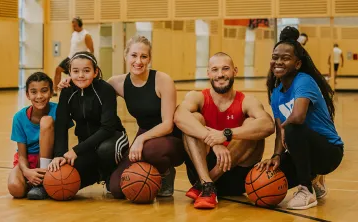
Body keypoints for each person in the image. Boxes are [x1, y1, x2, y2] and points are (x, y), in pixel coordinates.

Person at [174, 52, 275, 209]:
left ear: (235, 71)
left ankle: (206, 184)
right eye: (215, 69)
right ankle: (207, 183)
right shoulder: (197, 97)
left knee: (251, 123)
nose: (220, 74)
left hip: (236, 176)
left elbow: (268, 125)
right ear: (208, 73)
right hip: (202, 167)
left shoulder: (247, 101)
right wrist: (214, 141)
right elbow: (179, 116)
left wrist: (226, 134)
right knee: (194, 118)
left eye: (225, 69)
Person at [258, 26, 344, 210]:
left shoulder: (303, 80)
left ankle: (306, 189)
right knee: (266, 179)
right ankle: (314, 179)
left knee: (292, 128)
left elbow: (297, 118)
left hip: (329, 152)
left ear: (297, 64)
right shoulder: (276, 93)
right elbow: (279, 128)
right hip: (302, 150)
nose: (278, 62)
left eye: (285, 58)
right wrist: (276, 156)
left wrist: (283, 131)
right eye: (275, 57)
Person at [106, 35, 185, 198]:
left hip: (170, 137)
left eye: (144, 56)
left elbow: (167, 124)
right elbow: (93, 90)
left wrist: (140, 140)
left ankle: (166, 172)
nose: (138, 61)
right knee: (116, 187)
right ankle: (150, 172)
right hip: (145, 135)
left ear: (149, 59)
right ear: (125, 56)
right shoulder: (117, 83)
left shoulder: (163, 80)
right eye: (134, 55)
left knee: (150, 151)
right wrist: (70, 83)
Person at [48, 51, 128, 191]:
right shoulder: (67, 91)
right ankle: (99, 173)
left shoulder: (105, 90)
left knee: (106, 153)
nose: (80, 75)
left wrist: (76, 150)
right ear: (70, 73)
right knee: (65, 179)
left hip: (112, 139)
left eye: (86, 71)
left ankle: (115, 169)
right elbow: (61, 124)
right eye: (75, 71)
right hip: (87, 145)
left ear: (95, 72)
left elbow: (107, 128)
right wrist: (59, 155)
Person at [8, 72, 55, 200]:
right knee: (15, 189)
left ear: (51, 92)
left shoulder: (58, 111)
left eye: (44, 91)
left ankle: (43, 182)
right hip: (28, 160)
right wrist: (27, 171)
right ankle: (33, 182)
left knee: (46, 120)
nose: (39, 96)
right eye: (34, 92)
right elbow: (22, 155)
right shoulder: (19, 117)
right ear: (28, 95)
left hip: (49, 159)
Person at [53, 17, 94, 95]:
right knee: (58, 69)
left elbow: (91, 50)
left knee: (74, 75)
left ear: (79, 25)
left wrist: (86, 60)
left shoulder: (86, 35)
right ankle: (55, 90)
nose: (73, 27)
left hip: (79, 59)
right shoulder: (74, 34)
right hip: (70, 57)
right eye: (72, 25)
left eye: (74, 25)